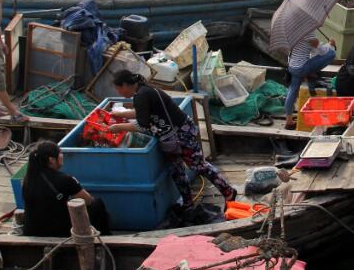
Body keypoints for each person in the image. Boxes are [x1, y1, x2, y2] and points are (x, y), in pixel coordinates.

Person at [107, 70, 238, 211]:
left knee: (199, 166)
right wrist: (120, 114)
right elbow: (143, 112)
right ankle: (187, 202)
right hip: (170, 137)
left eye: (118, 88)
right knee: (176, 170)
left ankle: (229, 192)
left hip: (181, 134)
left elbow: (142, 124)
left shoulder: (141, 95)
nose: (118, 92)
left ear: (126, 85)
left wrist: (118, 127)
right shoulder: (144, 91)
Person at [21, 141, 110, 237]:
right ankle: (104, 237)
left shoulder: (28, 180)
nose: (62, 155)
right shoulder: (65, 179)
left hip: (31, 232)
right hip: (59, 233)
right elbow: (88, 201)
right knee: (97, 204)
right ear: (51, 159)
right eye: (60, 153)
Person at [283, 35, 336, 130]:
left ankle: (289, 121)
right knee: (332, 53)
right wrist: (330, 45)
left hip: (292, 67)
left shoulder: (294, 35)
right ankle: (309, 73)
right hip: (301, 68)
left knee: (292, 91)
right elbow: (322, 52)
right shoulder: (309, 36)